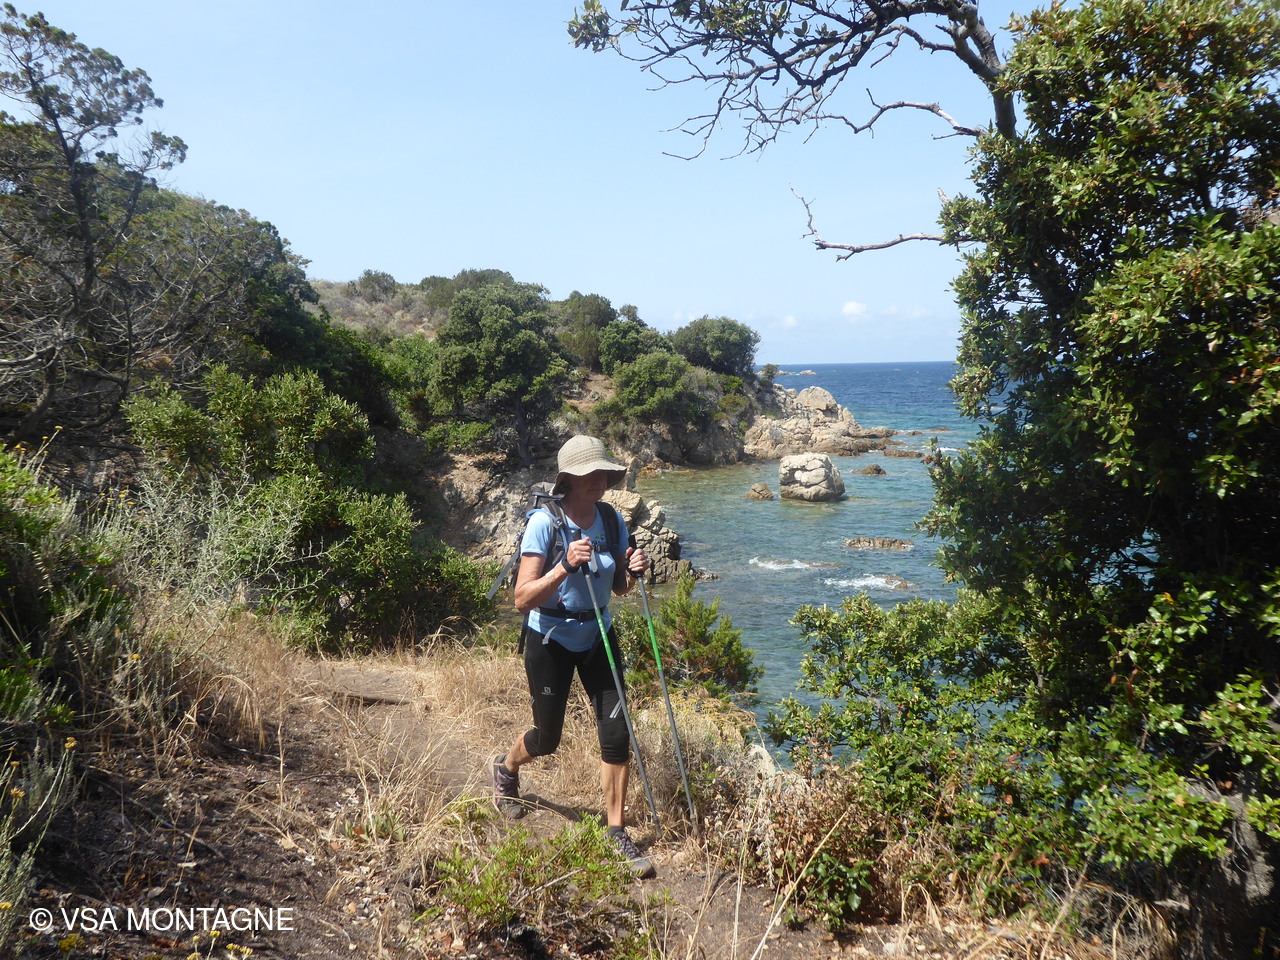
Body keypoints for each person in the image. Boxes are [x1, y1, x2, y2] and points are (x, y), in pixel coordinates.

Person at [492, 434, 654, 878]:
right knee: (547, 739)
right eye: (590, 473)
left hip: (599, 633)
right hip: (551, 638)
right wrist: (564, 565)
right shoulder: (545, 524)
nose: (599, 480)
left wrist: (633, 571)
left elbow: (619, 588)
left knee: (616, 735)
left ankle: (616, 831)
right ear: (569, 477)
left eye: (604, 472)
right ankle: (506, 768)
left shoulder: (611, 519)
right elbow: (521, 599)